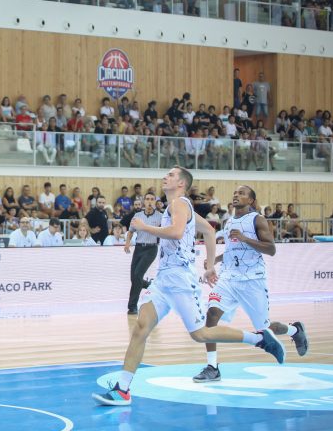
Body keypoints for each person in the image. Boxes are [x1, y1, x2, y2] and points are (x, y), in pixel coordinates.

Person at [93, 167, 287, 406]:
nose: (166, 177)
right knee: (141, 328)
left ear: (181, 184)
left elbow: (175, 233)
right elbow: (209, 230)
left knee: (200, 334)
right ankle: (122, 389)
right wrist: (209, 266)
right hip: (164, 279)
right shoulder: (180, 207)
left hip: (181, 280)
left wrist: (144, 227)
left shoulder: (179, 204)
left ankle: (258, 339)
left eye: (171, 175)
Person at [192, 185, 309, 383]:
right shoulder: (229, 222)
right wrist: (215, 261)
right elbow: (233, 250)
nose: (236, 195)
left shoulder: (258, 219)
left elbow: (271, 249)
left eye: (242, 193)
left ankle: (295, 331)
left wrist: (245, 238)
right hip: (229, 278)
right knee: (211, 317)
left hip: (252, 280)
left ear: (252, 201)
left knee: (265, 329)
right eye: (235, 192)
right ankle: (212, 367)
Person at [123, 193, 162, 315]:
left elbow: (165, 232)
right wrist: (127, 243)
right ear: (144, 202)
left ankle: (132, 306)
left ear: (155, 202)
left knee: (138, 275)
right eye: (147, 199)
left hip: (151, 249)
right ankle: (151, 286)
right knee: (134, 278)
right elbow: (130, 231)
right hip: (139, 248)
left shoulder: (160, 217)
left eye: (152, 199)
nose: (149, 202)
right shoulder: (137, 216)